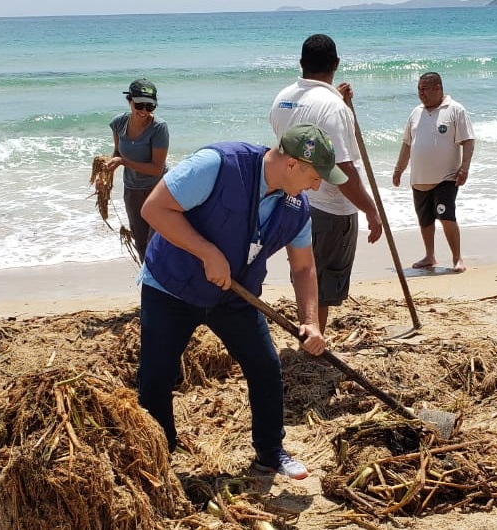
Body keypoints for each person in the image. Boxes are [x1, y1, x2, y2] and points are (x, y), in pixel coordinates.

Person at [138, 123, 347, 480]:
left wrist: (311, 321)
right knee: (157, 376)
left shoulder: (297, 207)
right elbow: (154, 209)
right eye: (315, 177)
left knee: (265, 366)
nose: (316, 186)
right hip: (171, 285)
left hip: (234, 295)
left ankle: (270, 452)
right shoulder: (217, 165)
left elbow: (304, 267)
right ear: (292, 164)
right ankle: (162, 454)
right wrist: (206, 252)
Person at [270, 34, 383, 333]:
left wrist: (340, 103)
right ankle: (314, 341)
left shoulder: (283, 98)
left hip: (292, 198)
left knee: (303, 272)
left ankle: (308, 335)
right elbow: (342, 168)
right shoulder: (333, 107)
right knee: (322, 282)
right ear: (336, 64)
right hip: (330, 207)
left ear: (301, 63)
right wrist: (371, 210)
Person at [392, 72, 475, 273]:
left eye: (425, 89)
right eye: (419, 89)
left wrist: (464, 167)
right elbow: (407, 144)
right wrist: (399, 168)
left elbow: (468, 140)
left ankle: (457, 257)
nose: (421, 94)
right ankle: (429, 256)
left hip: (446, 177)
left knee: (446, 215)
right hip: (419, 178)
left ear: (438, 88)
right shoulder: (416, 113)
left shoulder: (455, 110)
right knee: (425, 219)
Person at [105, 78, 169, 262]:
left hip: (158, 189)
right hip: (132, 190)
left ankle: (161, 276)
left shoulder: (159, 128)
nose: (144, 111)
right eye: (139, 105)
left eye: (150, 107)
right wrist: (105, 176)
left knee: (156, 241)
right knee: (140, 242)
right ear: (129, 101)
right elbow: (117, 153)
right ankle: (147, 277)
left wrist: (123, 162)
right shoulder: (119, 123)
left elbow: (156, 169)